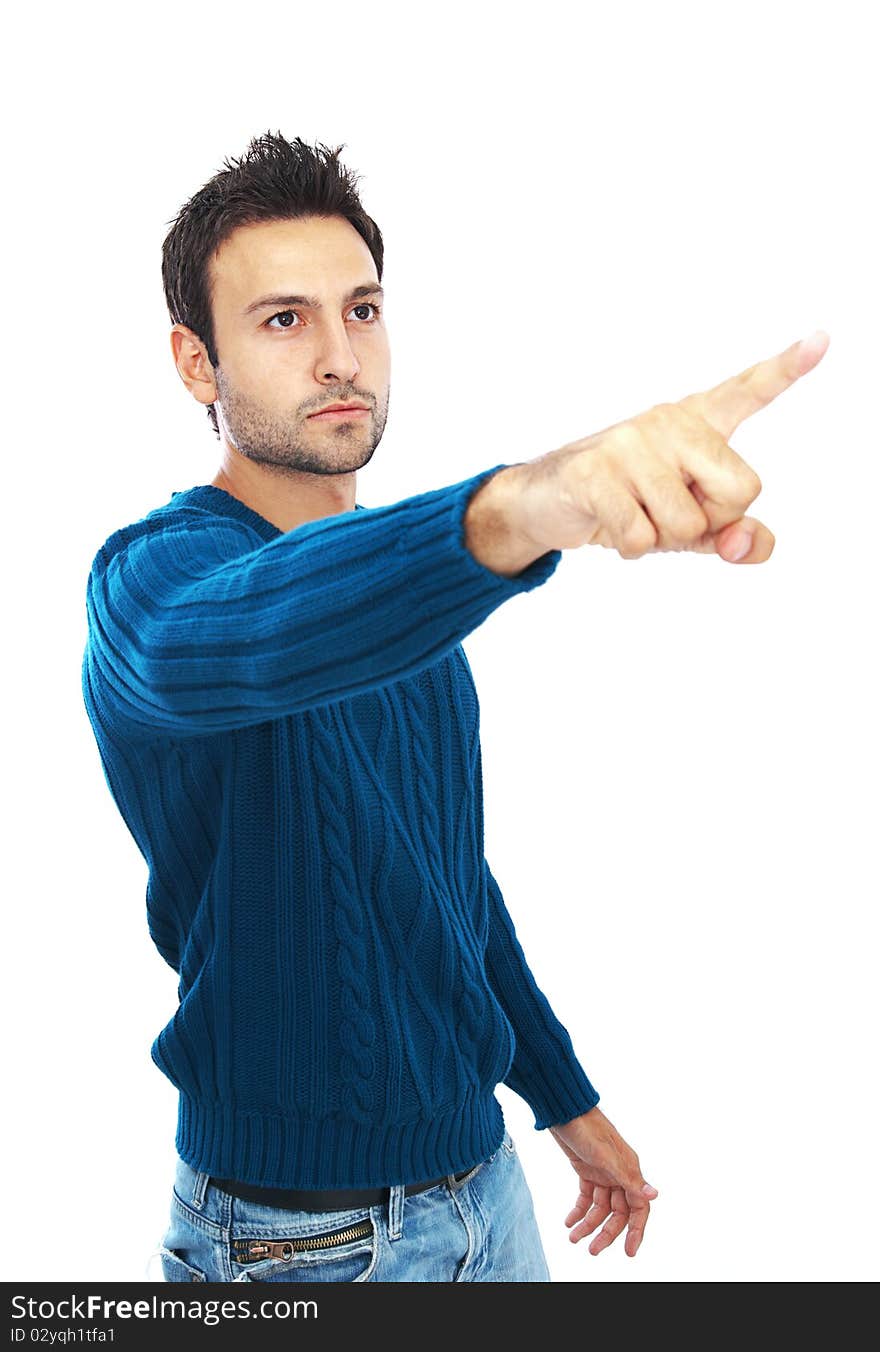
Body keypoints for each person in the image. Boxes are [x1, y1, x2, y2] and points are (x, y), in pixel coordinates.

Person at [81, 131, 828, 1284]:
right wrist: (524, 505)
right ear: (197, 363)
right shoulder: (151, 582)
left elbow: (441, 880)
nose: (339, 356)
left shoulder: (412, 604)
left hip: (486, 1188)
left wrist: (563, 1096)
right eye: (283, 320)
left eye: (362, 310)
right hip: (295, 1244)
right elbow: (245, 630)